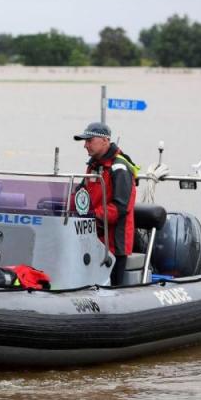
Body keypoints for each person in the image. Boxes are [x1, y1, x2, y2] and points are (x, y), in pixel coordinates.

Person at [73, 122, 137, 286]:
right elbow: (81, 195)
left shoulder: (120, 168)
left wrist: (93, 217)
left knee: (112, 289)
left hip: (113, 244)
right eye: (85, 141)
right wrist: (64, 207)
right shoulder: (94, 166)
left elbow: (120, 207)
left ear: (105, 140)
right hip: (92, 239)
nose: (85, 145)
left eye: (89, 141)